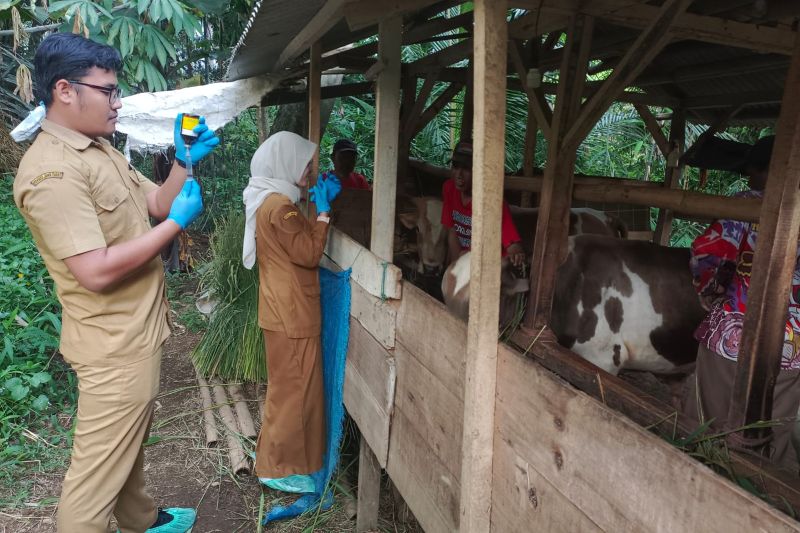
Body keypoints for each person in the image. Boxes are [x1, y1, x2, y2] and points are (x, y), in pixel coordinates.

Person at [13, 33, 219, 533]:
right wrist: (174, 229)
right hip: (114, 348)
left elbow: (156, 205)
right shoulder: (53, 173)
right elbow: (96, 269)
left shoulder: (98, 149)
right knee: (91, 488)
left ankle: (142, 521)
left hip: (134, 336)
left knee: (126, 446)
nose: (118, 101)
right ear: (65, 90)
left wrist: (183, 160)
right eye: (108, 90)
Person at [682, 135, 800, 468]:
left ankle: (704, 475)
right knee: (773, 426)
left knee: (709, 419)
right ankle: (763, 491)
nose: (749, 178)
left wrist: (710, 291)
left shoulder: (747, 203)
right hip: (794, 345)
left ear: (764, 170)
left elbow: (708, 253)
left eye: (751, 169)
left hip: (734, 334)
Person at [242, 131, 341, 493]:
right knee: (292, 394)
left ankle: (278, 461)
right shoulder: (280, 207)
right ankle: (276, 468)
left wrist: (316, 209)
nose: (309, 170)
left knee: (288, 391)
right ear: (283, 162)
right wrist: (325, 212)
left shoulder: (272, 200)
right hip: (291, 314)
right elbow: (308, 253)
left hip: (282, 310)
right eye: (303, 163)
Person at [441, 139, 526, 266]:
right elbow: (452, 230)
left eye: (466, 169)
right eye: (456, 167)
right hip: (464, 259)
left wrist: (516, 253)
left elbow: (513, 245)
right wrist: (456, 266)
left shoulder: (492, 202)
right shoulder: (449, 188)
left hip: (487, 264)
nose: (459, 174)